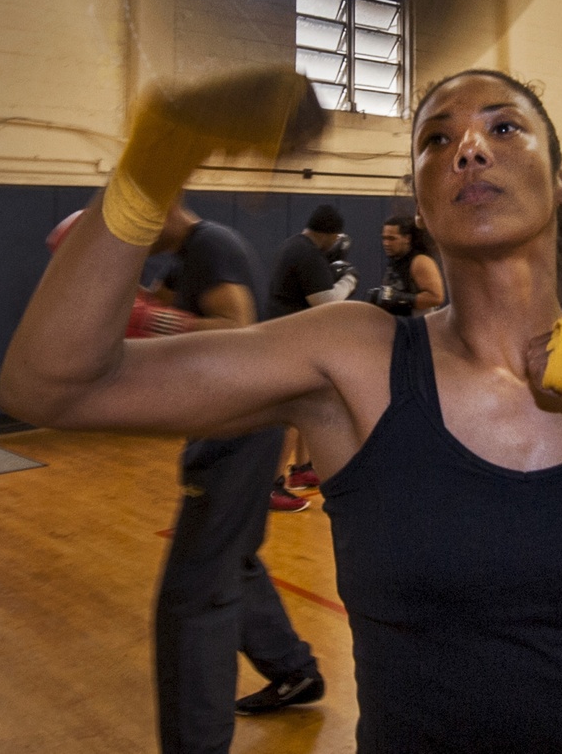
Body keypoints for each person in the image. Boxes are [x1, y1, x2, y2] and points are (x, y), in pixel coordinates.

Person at [0, 64, 562, 754]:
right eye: (437, 138)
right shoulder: (353, 358)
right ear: (419, 197)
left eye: (504, 126)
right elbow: (49, 385)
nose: (470, 148)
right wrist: (155, 158)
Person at [147, 197, 324, 750]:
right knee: (232, 560)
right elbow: (153, 312)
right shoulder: (185, 258)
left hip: (241, 432)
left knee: (194, 593)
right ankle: (294, 669)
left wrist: (150, 318)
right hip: (230, 426)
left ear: (164, 206)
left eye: (136, 220)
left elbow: (235, 325)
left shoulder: (212, 244)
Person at [266, 203, 359, 505]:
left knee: (307, 405)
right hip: (290, 342)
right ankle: (273, 484)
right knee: (293, 413)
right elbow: (327, 303)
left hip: (287, 338)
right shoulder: (308, 254)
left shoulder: (295, 245)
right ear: (331, 235)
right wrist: (349, 280)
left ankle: (302, 469)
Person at [367, 214, 445, 315]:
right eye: (384, 238)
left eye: (392, 239)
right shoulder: (396, 260)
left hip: (419, 326)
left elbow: (436, 298)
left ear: (407, 238)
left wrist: (400, 299)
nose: (386, 243)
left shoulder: (420, 261)